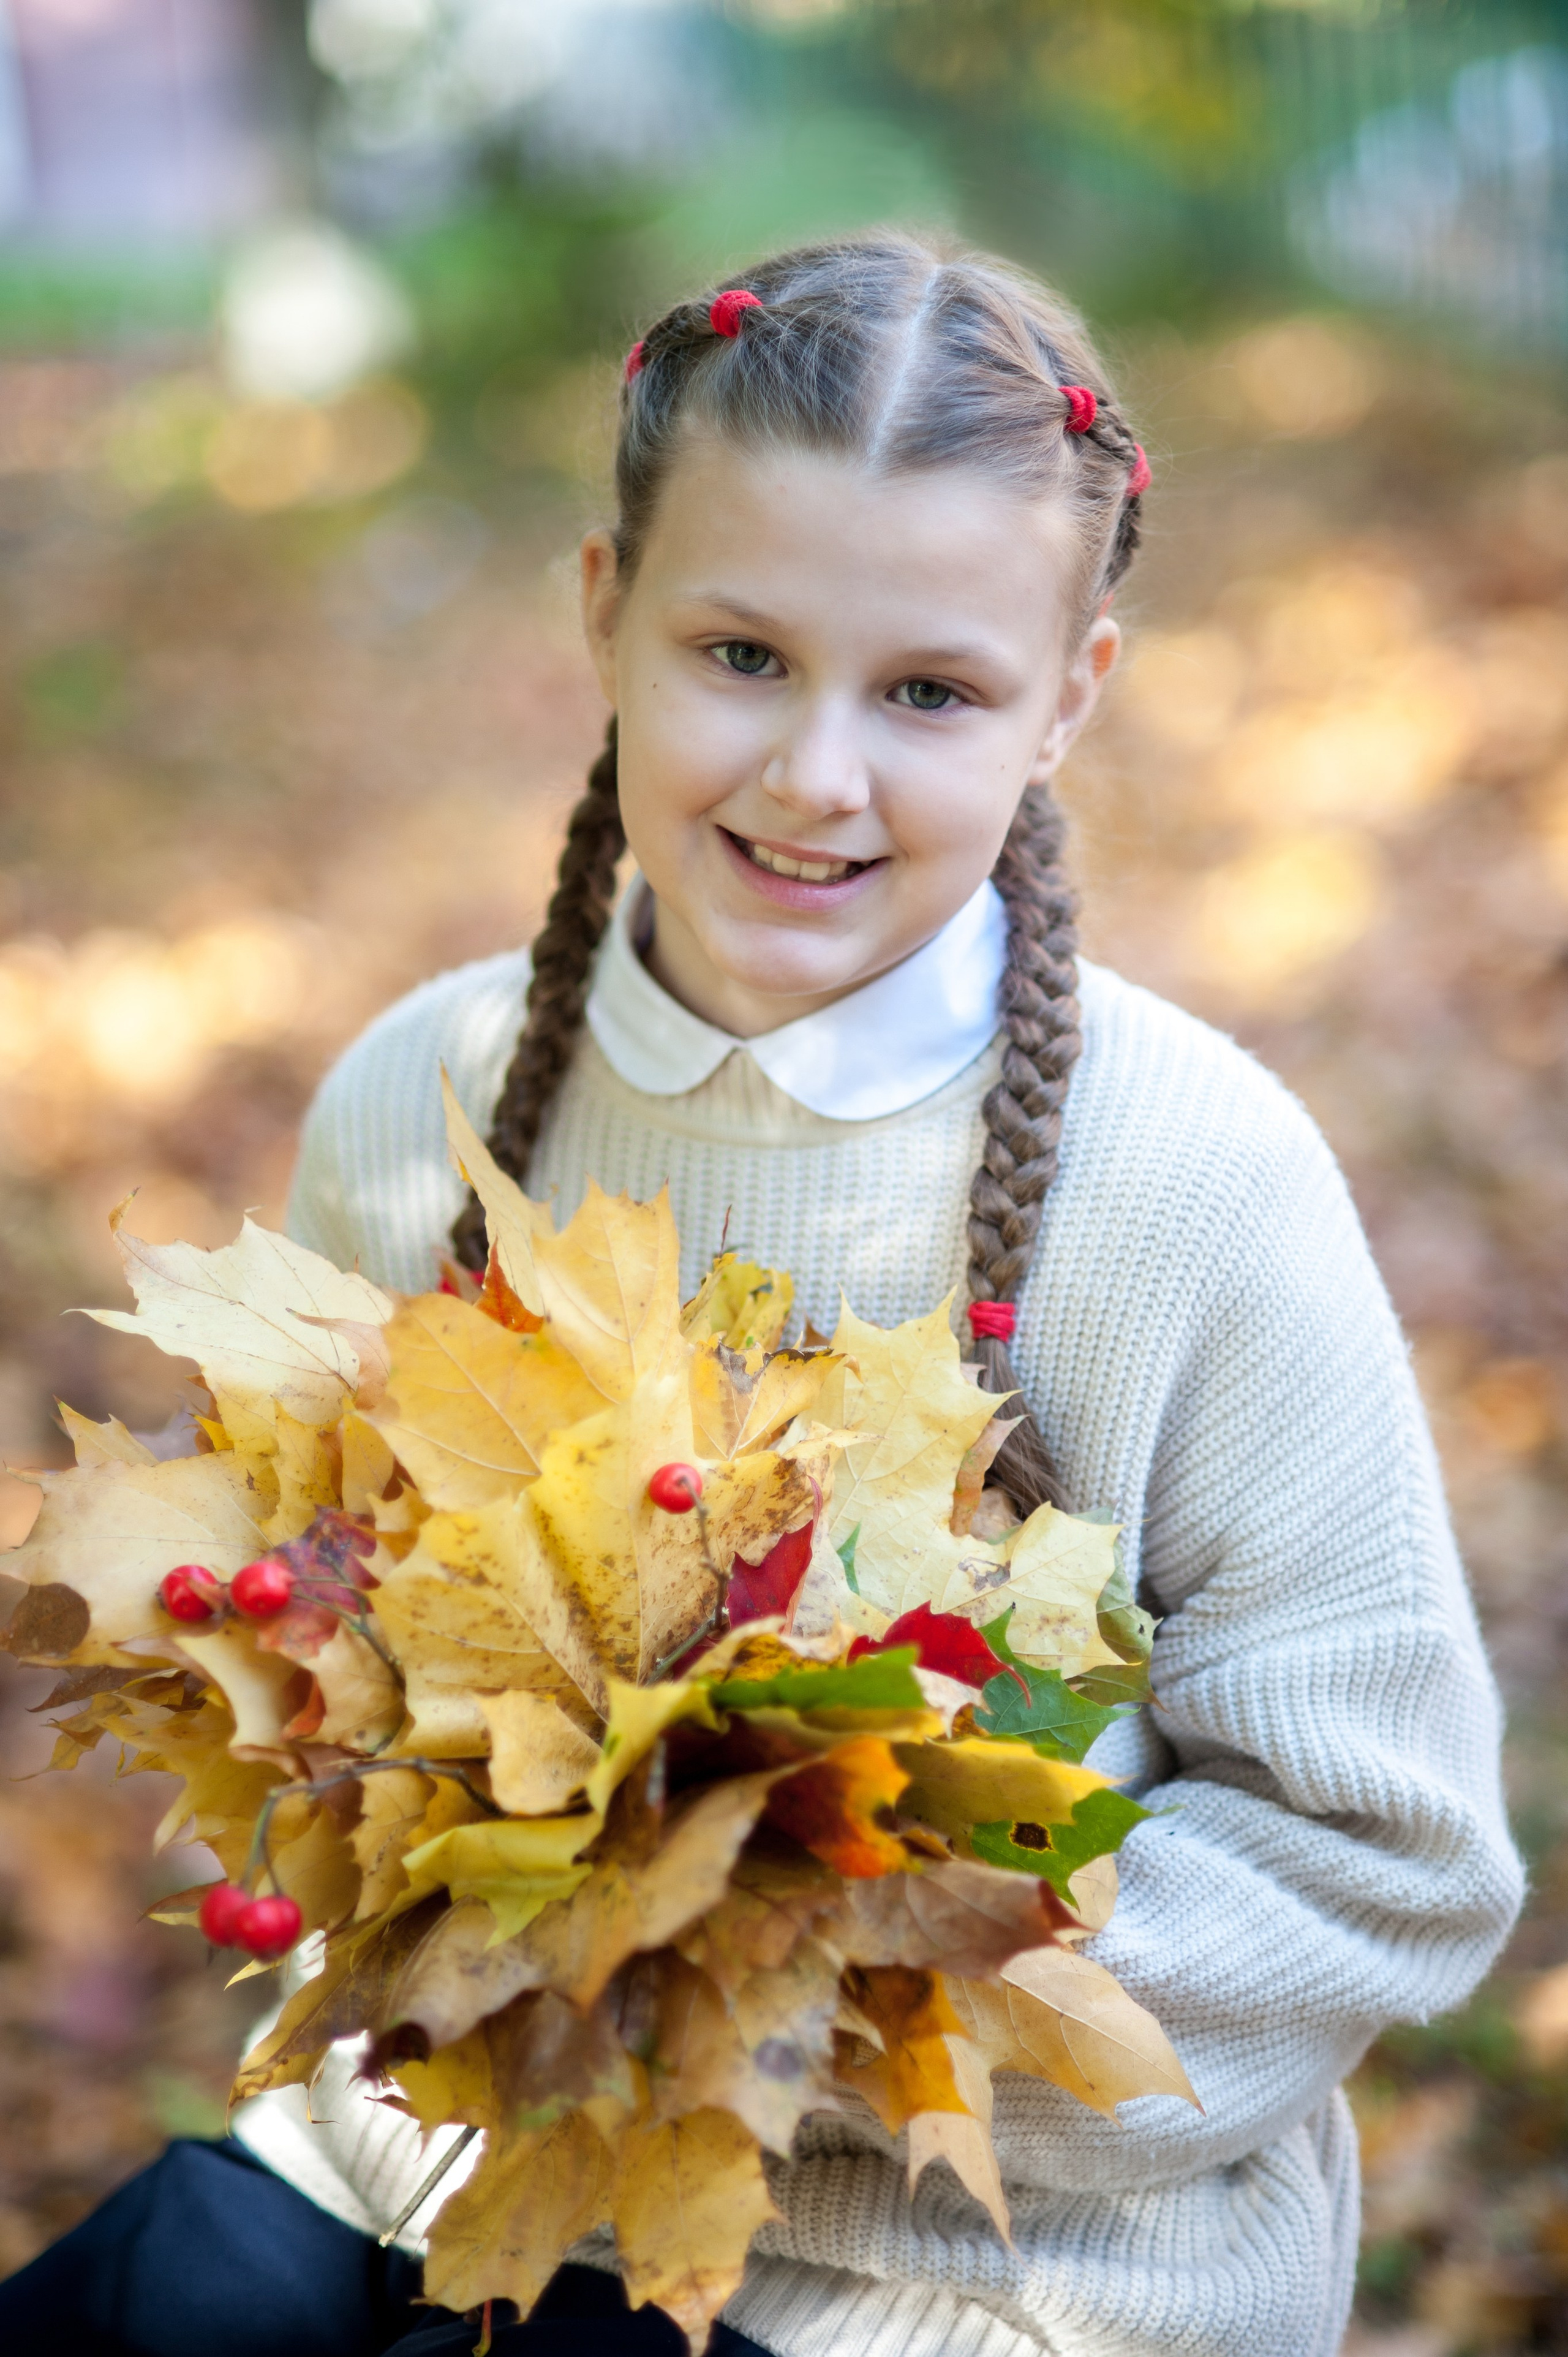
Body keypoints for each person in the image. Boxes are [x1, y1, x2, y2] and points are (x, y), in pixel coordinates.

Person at [0, 232, 1521, 2357]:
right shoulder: (432, 1102)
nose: (817, 772)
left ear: (1071, 696)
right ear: (606, 609)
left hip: (978, 2259)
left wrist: (797, 2000)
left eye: (929, 693)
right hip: (457, 2150)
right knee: (155, 2308)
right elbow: (322, 1668)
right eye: (741, 653)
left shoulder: (1194, 1184)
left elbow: (1381, 1856)